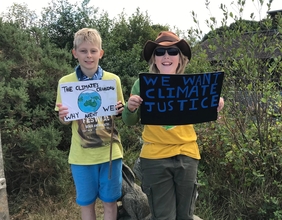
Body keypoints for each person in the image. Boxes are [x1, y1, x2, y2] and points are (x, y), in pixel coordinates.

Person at [122, 31, 225, 220]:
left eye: (172, 51)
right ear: (154, 58)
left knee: (185, 215)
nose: (166, 56)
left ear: (180, 57)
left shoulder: (193, 85)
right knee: (163, 216)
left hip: (188, 155)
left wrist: (215, 105)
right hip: (155, 158)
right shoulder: (141, 84)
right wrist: (130, 107)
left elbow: (208, 114)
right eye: (160, 52)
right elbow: (129, 121)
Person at [55, 28, 125, 220]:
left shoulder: (113, 80)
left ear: (100, 53)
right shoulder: (65, 83)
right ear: (74, 53)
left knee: (110, 202)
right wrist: (62, 115)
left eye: (93, 51)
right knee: (86, 203)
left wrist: (120, 110)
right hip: (81, 157)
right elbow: (63, 120)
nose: (89, 55)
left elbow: (120, 114)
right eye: (84, 51)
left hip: (110, 154)